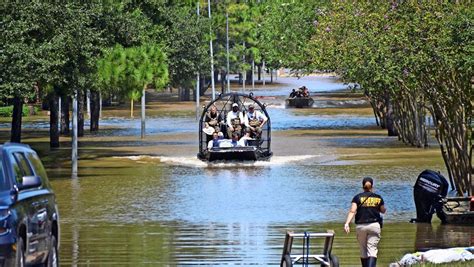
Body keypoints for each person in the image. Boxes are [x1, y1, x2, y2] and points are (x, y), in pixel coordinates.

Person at [344, 177, 386, 267]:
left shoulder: (357, 197)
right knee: (372, 250)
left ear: (362, 186)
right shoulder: (378, 198)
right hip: (374, 226)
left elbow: (352, 211)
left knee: (363, 250)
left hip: (361, 227)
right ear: (372, 186)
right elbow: (383, 210)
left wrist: (347, 223)